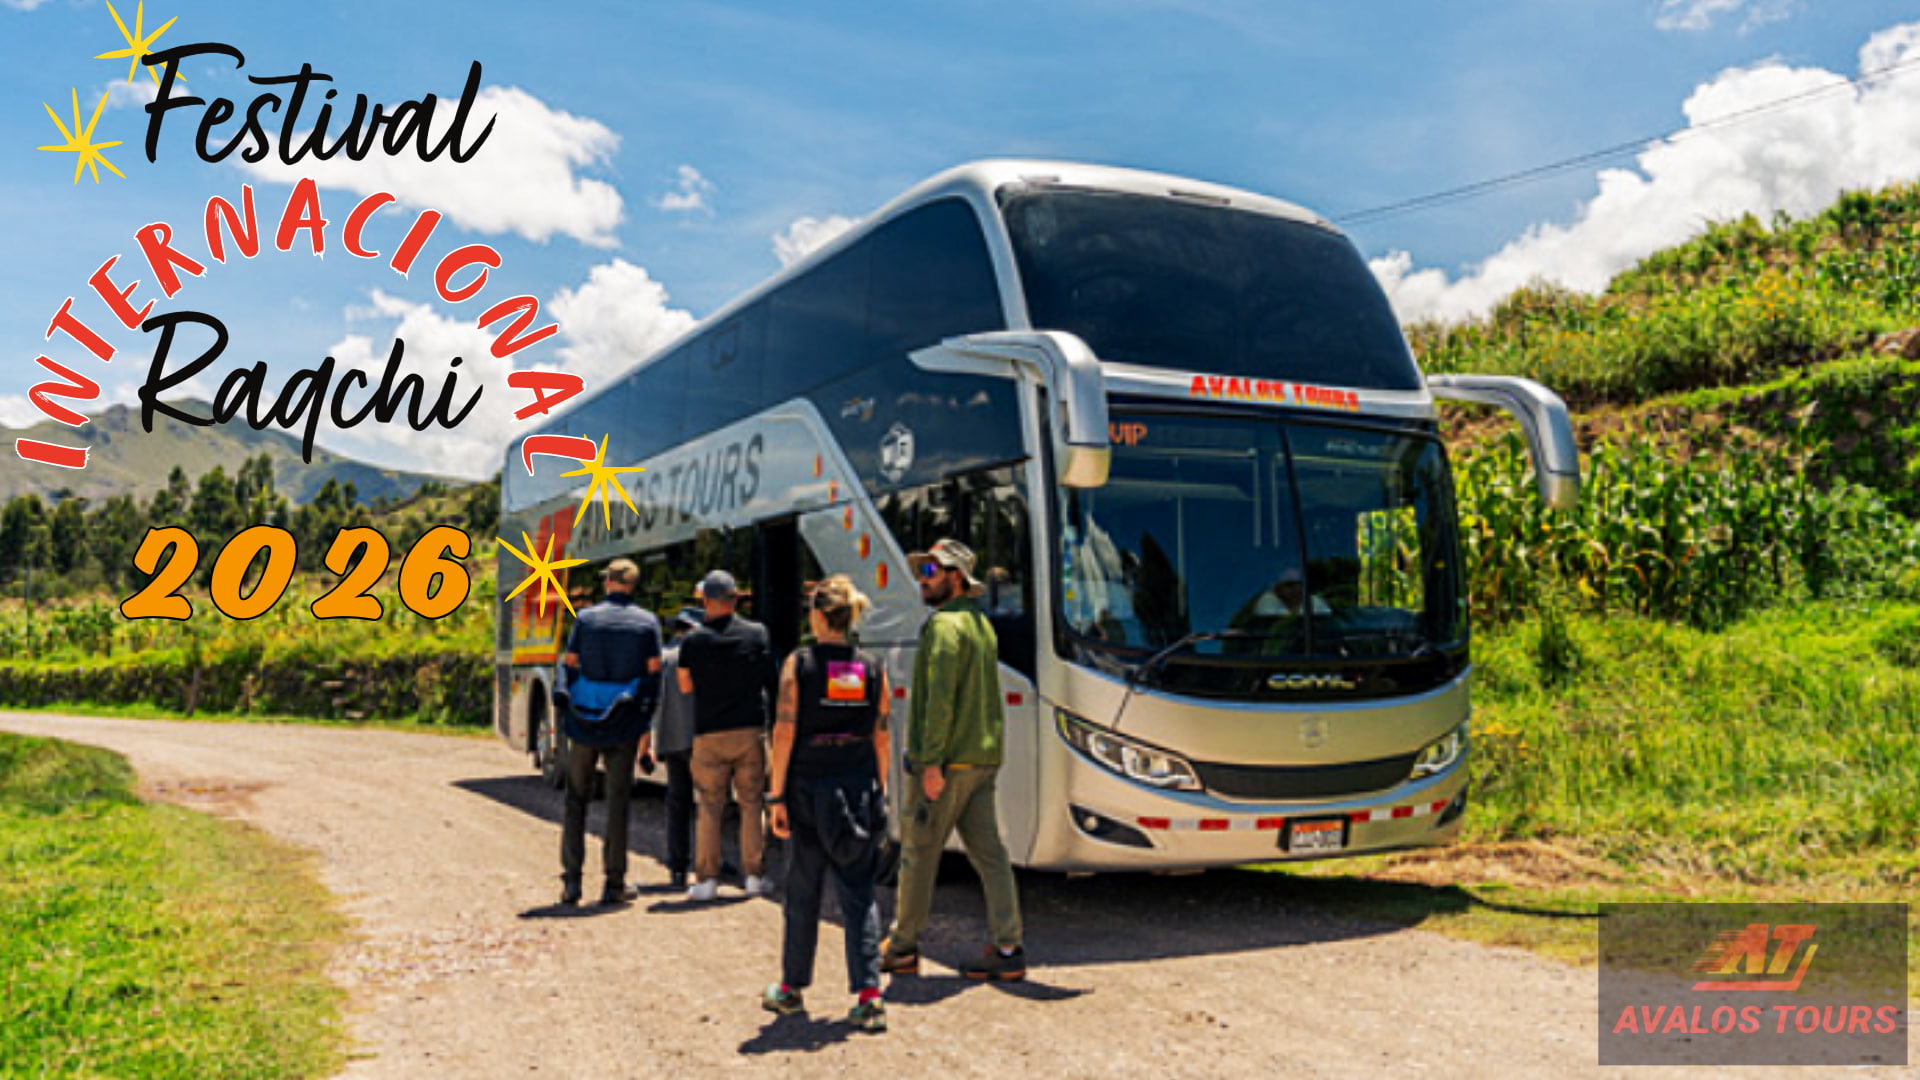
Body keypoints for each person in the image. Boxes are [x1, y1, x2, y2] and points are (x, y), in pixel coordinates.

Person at [882, 539, 1026, 981]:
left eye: (931, 572)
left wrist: (929, 763)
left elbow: (939, 700)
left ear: (955, 578)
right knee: (990, 855)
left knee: (917, 852)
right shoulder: (981, 624)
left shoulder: (944, 627)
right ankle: (1008, 948)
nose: (923, 580)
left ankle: (902, 946)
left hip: (948, 763)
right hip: (983, 758)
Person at [761, 575, 892, 1033]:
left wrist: (775, 795)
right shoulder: (872, 667)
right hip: (857, 790)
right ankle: (870, 995)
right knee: (859, 894)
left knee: (803, 890)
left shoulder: (799, 665)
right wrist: (881, 791)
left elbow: (784, 731)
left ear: (817, 615)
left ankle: (792, 990)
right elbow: (881, 734)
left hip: (806, 791)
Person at [556, 558, 662, 906]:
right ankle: (613, 883)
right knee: (618, 802)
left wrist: (579, 698)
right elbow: (652, 675)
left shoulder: (586, 619)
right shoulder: (647, 623)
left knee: (576, 799)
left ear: (609, 583)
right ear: (631, 585)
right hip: (624, 723)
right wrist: (644, 720)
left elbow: (569, 664)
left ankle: (572, 881)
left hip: (584, 721)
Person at [677, 569, 778, 901]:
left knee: (709, 805)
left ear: (706, 600)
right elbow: (770, 681)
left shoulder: (692, 640)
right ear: (734, 599)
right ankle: (754, 875)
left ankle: (706, 880)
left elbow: (684, 686)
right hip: (750, 731)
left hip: (709, 733)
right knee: (751, 803)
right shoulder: (757, 634)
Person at [645, 607, 704, 890]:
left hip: (671, 741)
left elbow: (652, 702)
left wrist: (649, 744)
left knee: (677, 803)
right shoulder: (700, 656)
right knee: (708, 803)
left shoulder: (662, 656)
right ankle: (708, 861)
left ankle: (677, 866)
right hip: (701, 741)